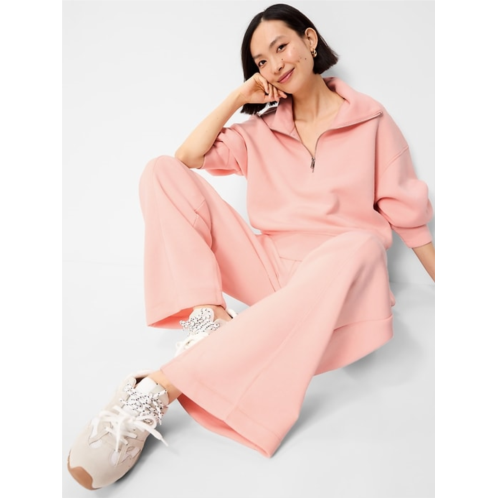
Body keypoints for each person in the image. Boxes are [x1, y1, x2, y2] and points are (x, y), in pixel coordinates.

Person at [67, 3, 435, 491]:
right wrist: (239, 96)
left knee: (362, 244)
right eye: (261, 61)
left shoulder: (371, 121)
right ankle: (208, 319)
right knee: (160, 170)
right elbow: (187, 157)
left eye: (281, 47)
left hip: (339, 279)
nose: (275, 65)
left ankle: (160, 386)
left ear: (309, 40)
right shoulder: (262, 130)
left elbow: (409, 218)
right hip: (271, 269)